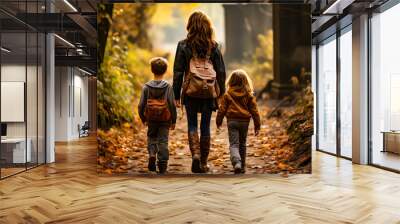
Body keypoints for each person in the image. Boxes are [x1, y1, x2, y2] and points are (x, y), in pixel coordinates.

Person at [173, 11, 226, 173]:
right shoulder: (214, 46)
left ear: (191, 25)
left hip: (191, 91)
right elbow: (221, 72)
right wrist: (221, 92)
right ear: (207, 26)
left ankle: (195, 154)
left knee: (192, 125)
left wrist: (176, 95)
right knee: (205, 127)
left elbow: (178, 72)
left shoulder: (183, 45)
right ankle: (203, 162)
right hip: (208, 92)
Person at [216, 69, 261, 174]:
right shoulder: (249, 95)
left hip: (232, 121)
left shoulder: (227, 95)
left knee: (234, 144)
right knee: (242, 144)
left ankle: (237, 162)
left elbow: (222, 109)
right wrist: (257, 125)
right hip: (244, 122)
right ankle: (242, 166)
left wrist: (219, 121)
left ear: (231, 81)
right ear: (245, 81)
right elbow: (255, 111)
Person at [138, 57, 177, 174]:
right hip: (165, 119)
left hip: (151, 119)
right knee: (163, 141)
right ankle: (162, 164)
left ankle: (151, 154)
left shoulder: (146, 87)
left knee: (151, 138)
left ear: (152, 70)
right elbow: (172, 104)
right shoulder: (168, 87)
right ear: (165, 71)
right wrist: (173, 120)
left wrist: (143, 118)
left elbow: (141, 105)